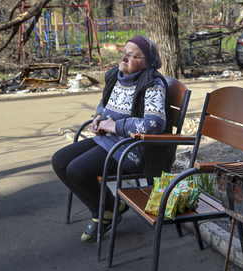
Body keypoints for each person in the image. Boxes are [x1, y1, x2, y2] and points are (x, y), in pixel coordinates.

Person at [52, 36, 172, 243]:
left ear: (147, 62)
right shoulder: (116, 76)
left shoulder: (152, 83)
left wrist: (115, 126)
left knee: (76, 170)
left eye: (131, 55)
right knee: (60, 161)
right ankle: (110, 208)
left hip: (132, 149)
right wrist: (99, 117)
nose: (124, 58)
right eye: (123, 52)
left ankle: (104, 213)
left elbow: (154, 124)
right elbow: (104, 102)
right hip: (108, 140)